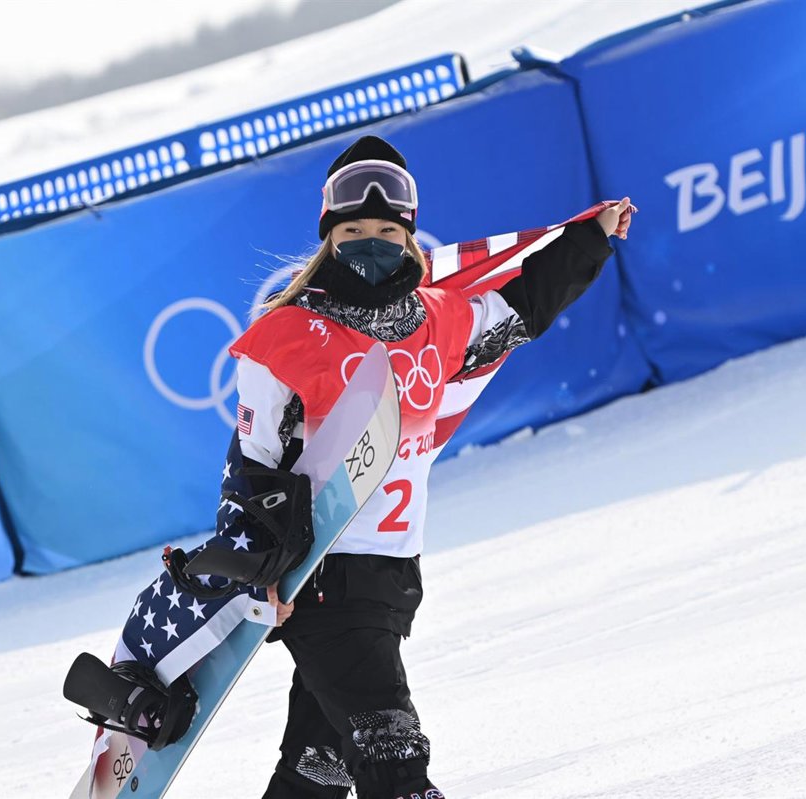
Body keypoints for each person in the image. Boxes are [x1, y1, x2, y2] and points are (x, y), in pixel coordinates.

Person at [221, 135, 634, 799]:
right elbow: (253, 463)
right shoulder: (286, 335)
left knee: (318, 768)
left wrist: (591, 239)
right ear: (329, 238)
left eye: (387, 230)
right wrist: (256, 566)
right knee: (396, 765)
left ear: (409, 235)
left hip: (393, 576)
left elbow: (524, 306)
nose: (371, 242)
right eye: (353, 231)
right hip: (322, 579)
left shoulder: (438, 319)